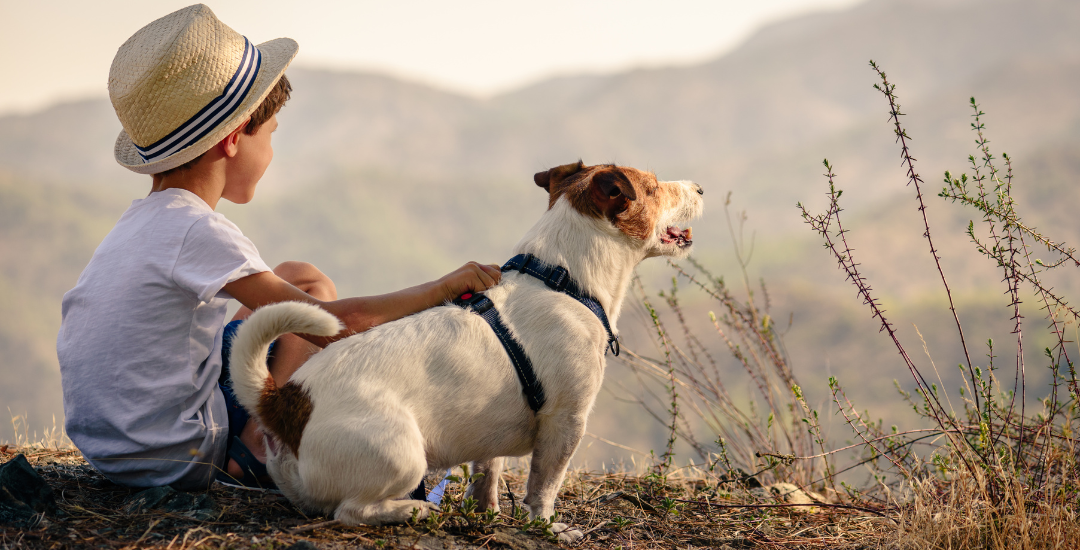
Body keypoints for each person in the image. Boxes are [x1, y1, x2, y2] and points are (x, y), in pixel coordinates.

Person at [56, 4, 500, 491]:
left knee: (301, 277)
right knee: (313, 311)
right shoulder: (197, 230)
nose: (270, 151)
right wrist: (441, 288)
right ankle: (258, 447)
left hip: (116, 448)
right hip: (177, 454)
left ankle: (259, 431)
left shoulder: (141, 222)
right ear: (231, 140)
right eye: (269, 135)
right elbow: (337, 326)